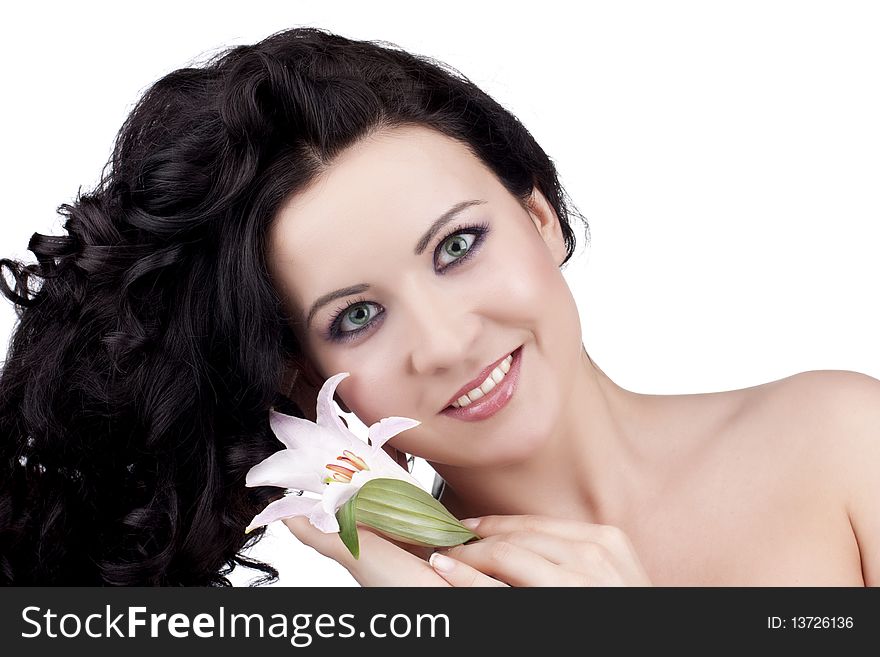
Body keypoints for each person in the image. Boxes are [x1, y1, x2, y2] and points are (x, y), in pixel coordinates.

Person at [0, 26, 876, 587]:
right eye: (358, 316)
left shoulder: (841, 443)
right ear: (308, 382)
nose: (448, 340)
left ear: (539, 215)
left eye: (458, 246)